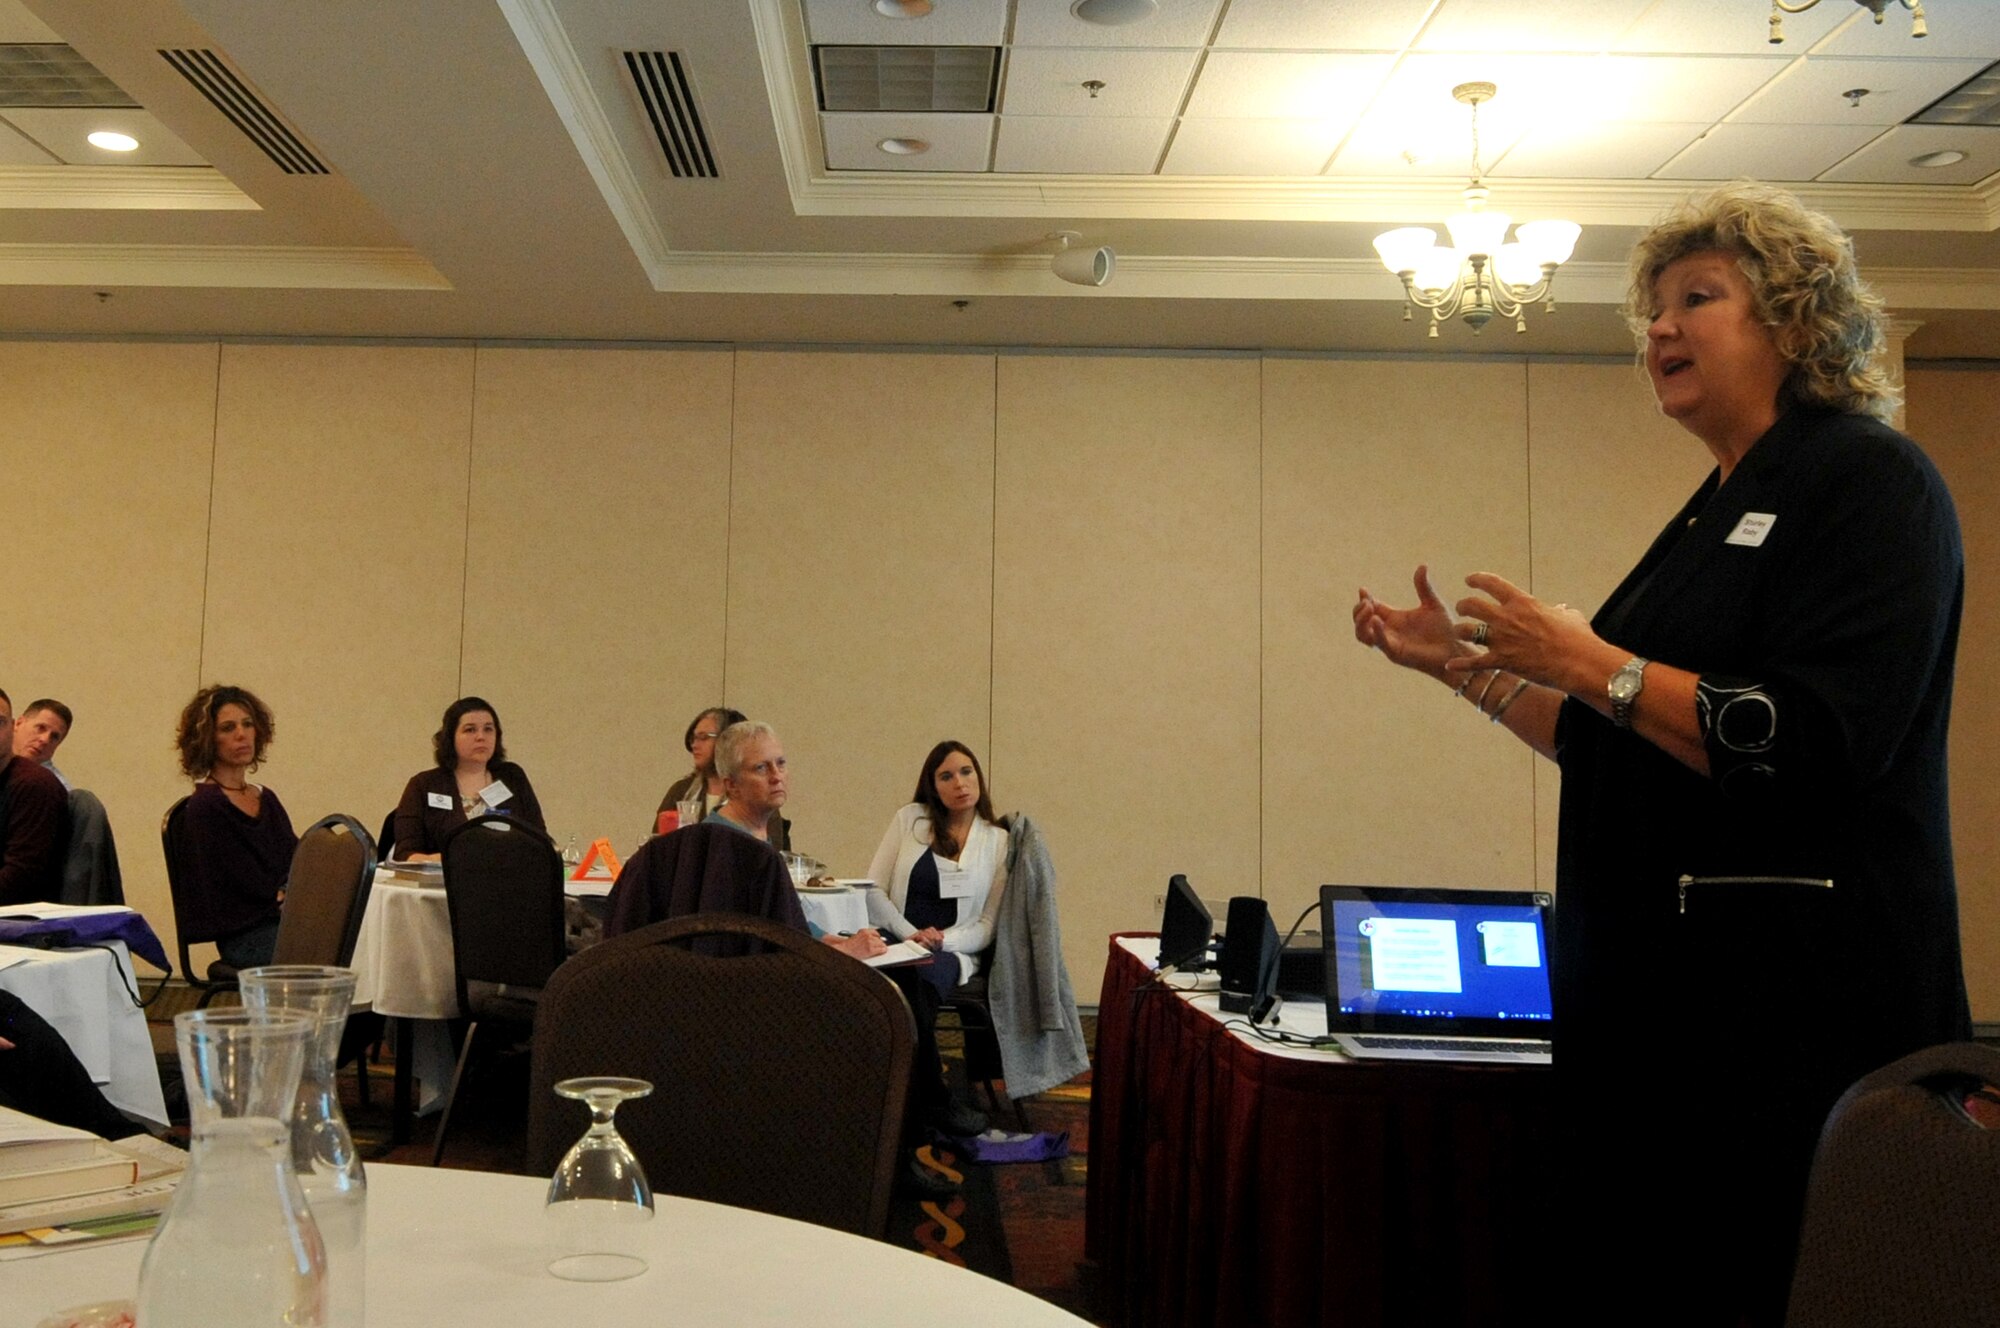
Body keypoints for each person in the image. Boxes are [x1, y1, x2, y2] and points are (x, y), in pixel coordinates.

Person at [1352, 183, 1968, 1324]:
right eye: (1651, 309)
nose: (1659, 329)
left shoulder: (1866, 479)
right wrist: (1463, 666)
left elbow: (1815, 740)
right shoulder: (1712, 508)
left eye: (1698, 298)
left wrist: (1585, 660)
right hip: (1662, 1028)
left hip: (1786, 1035)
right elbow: (1614, 741)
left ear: (1792, 321)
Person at [864, 741, 1010, 997]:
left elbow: (987, 925)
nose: (959, 783)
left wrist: (941, 940)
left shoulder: (998, 841)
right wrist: (911, 934)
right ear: (933, 787)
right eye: (946, 776)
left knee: (921, 983)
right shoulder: (909, 819)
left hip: (953, 950)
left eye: (966, 771)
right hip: (897, 936)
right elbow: (873, 890)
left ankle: (914, 1039)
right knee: (860, 976)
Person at [172, 684, 296, 969]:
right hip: (245, 937)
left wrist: (294, 889)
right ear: (208, 739)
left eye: (248, 724)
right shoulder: (206, 807)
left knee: (355, 933)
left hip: (283, 921)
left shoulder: (266, 798)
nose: (241, 734)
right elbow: (230, 888)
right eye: (228, 728)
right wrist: (283, 895)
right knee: (335, 945)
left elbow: (296, 858)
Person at [393, 696, 545, 860]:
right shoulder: (424, 785)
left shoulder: (513, 777)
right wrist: (458, 861)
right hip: (444, 883)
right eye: (470, 730)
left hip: (507, 880)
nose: (481, 737)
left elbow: (541, 842)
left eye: (488, 729)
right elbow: (405, 855)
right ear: (451, 738)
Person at [0, 688, 68, 905]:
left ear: (12, 727)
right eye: (40, 728)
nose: (44, 740)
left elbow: (20, 880)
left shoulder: (36, 786)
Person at [652, 705, 745, 836]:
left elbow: (771, 851)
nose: (694, 745)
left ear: (729, 741)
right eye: (694, 738)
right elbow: (657, 846)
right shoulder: (680, 791)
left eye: (703, 737)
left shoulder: (753, 795)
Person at [13, 698, 72, 790]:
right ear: (18, 723)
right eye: (41, 728)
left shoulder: (57, 788)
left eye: (54, 737)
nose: (45, 740)